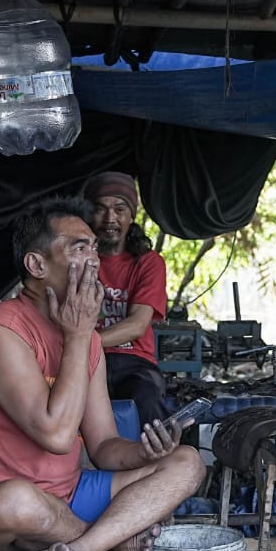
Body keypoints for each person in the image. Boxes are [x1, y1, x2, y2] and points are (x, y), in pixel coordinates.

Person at [0, 197, 206, 551]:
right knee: (15, 501)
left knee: (186, 462)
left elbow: (104, 446)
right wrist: (77, 335)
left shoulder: (87, 339)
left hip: (65, 495)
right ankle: (113, 542)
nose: (95, 259)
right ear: (37, 265)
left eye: (93, 247)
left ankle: (75, 549)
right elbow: (56, 434)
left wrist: (143, 451)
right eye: (78, 247)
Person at [83, 171, 169, 427]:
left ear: (131, 216)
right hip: (82, 359)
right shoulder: (74, 259)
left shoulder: (148, 262)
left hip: (133, 362)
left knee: (146, 398)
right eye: (101, 209)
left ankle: (158, 464)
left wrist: (81, 341)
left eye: (120, 209)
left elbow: (137, 325)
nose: (110, 218)